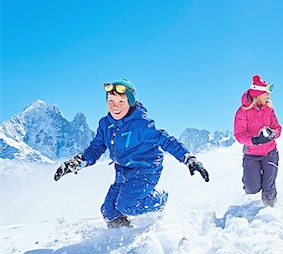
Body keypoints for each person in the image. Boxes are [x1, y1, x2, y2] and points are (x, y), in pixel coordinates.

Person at [54, 78, 209, 228]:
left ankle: (159, 198)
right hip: (122, 172)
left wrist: (189, 159)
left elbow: (166, 141)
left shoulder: (141, 125)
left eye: (121, 102)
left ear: (130, 102)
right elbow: (95, 149)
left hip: (146, 170)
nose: (115, 106)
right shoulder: (105, 125)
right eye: (111, 101)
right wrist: (76, 162)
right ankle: (123, 234)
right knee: (109, 211)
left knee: (127, 205)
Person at [234, 74, 282, 207]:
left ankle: (271, 212)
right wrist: (254, 140)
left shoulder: (269, 109)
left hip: (270, 153)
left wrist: (273, 134)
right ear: (258, 94)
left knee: (269, 189)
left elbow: (278, 128)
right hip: (251, 155)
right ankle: (252, 179)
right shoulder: (242, 112)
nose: (268, 96)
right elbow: (239, 135)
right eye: (266, 93)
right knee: (252, 188)